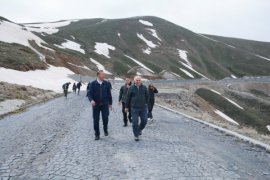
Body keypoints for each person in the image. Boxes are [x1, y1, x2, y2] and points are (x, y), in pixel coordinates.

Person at [87, 70, 113, 140]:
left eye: (104, 74)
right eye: (102, 75)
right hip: (96, 104)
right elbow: (89, 94)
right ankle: (97, 134)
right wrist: (91, 100)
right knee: (96, 120)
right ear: (98, 75)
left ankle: (105, 128)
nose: (103, 76)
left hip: (105, 104)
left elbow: (109, 94)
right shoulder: (92, 84)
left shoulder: (106, 83)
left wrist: (110, 104)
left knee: (105, 118)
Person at [125, 76, 149, 141]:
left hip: (143, 107)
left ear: (141, 81)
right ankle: (136, 135)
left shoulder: (144, 88)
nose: (138, 81)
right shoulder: (131, 88)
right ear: (134, 81)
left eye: (139, 80)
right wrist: (126, 107)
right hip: (134, 108)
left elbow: (147, 96)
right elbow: (128, 98)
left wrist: (146, 103)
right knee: (135, 122)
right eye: (136, 80)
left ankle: (139, 129)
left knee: (144, 121)